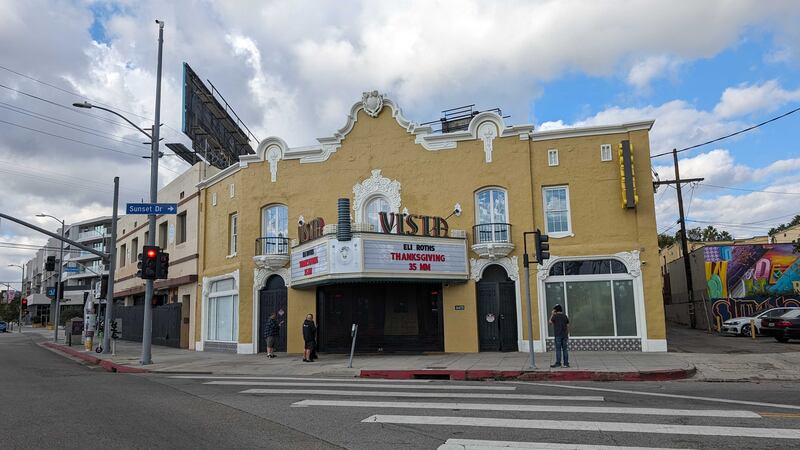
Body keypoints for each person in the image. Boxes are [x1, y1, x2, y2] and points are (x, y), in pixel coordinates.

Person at [549, 304, 570, 368]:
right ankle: (566, 364)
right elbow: (568, 325)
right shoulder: (565, 316)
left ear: (555, 310)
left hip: (558, 335)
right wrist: (568, 334)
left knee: (558, 350)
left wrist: (552, 314)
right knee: (565, 349)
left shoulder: (555, 316)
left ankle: (558, 363)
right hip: (564, 335)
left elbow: (550, 322)